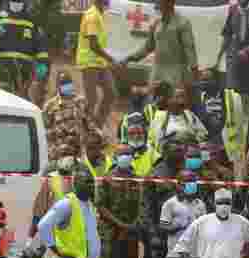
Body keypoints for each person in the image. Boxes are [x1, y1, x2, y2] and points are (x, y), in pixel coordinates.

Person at [27, 166, 101, 258]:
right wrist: (59, 252)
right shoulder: (66, 204)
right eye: (87, 182)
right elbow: (43, 226)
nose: (91, 186)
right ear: (76, 184)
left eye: (92, 183)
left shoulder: (89, 205)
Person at [96, 143, 143, 258]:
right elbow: (101, 206)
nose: (126, 157)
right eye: (122, 154)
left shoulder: (137, 180)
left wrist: (133, 226)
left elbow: (142, 206)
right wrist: (120, 225)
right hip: (111, 235)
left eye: (129, 154)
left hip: (131, 236)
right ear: (115, 157)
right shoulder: (106, 179)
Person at [140, 132, 188, 258]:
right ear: (164, 151)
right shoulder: (154, 175)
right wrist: (152, 235)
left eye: (180, 148)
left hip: (186, 234)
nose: (178, 151)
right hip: (162, 235)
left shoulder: (189, 173)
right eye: (173, 148)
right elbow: (146, 209)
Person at [120, 0, 198, 92]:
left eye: (162, 2)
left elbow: (189, 47)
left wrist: (194, 69)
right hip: (157, 72)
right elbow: (147, 47)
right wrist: (130, 58)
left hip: (176, 72)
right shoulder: (156, 23)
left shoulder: (183, 23)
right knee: (153, 103)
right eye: (159, 3)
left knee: (172, 103)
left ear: (171, 3)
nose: (160, 5)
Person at [216, 0, 249, 133]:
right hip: (237, 59)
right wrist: (219, 56)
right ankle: (243, 122)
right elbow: (227, 35)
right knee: (237, 91)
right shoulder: (233, 12)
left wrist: (247, 50)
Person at [75, 0, 115, 128]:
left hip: (100, 62)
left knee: (110, 93)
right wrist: (110, 58)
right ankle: (83, 129)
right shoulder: (92, 16)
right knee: (92, 99)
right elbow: (93, 45)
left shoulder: (100, 14)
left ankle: (96, 127)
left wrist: (106, 59)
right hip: (89, 62)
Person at [147, 85, 208, 163]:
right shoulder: (160, 117)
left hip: (191, 158)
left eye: (183, 97)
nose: (181, 100)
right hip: (167, 160)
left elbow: (203, 138)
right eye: (178, 97)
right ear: (169, 99)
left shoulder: (190, 115)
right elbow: (154, 143)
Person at [0, 0, 44, 99]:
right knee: (3, 99)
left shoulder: (31, 20)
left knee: (23, 101)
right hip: (3, 69)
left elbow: (39, 44)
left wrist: (42, 64)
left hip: (24, 71)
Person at [43, 71, 92, 161]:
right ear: (58, 86)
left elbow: (89, 125)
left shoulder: (81, 102)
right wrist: (52, 150)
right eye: (63, 83)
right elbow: (46, 131)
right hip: (59, 153)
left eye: (69, 82)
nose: (67, 86)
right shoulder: (50, 106)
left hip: (79, 153)